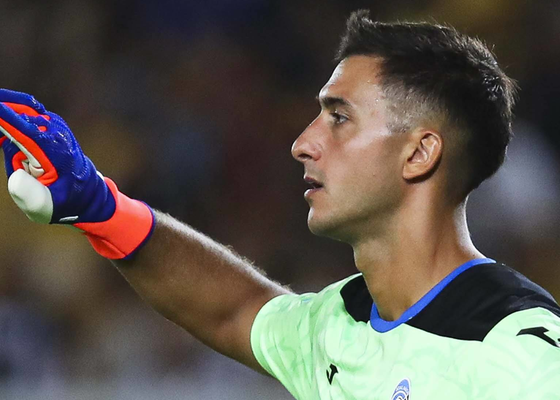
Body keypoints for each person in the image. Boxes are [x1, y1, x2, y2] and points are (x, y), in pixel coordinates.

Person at [0, 9, 559, 400]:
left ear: (419, 153)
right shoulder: (341, 322)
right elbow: (235, 309)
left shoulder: (519, 351)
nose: (302, 142)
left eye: (339, 117)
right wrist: (100, 207)